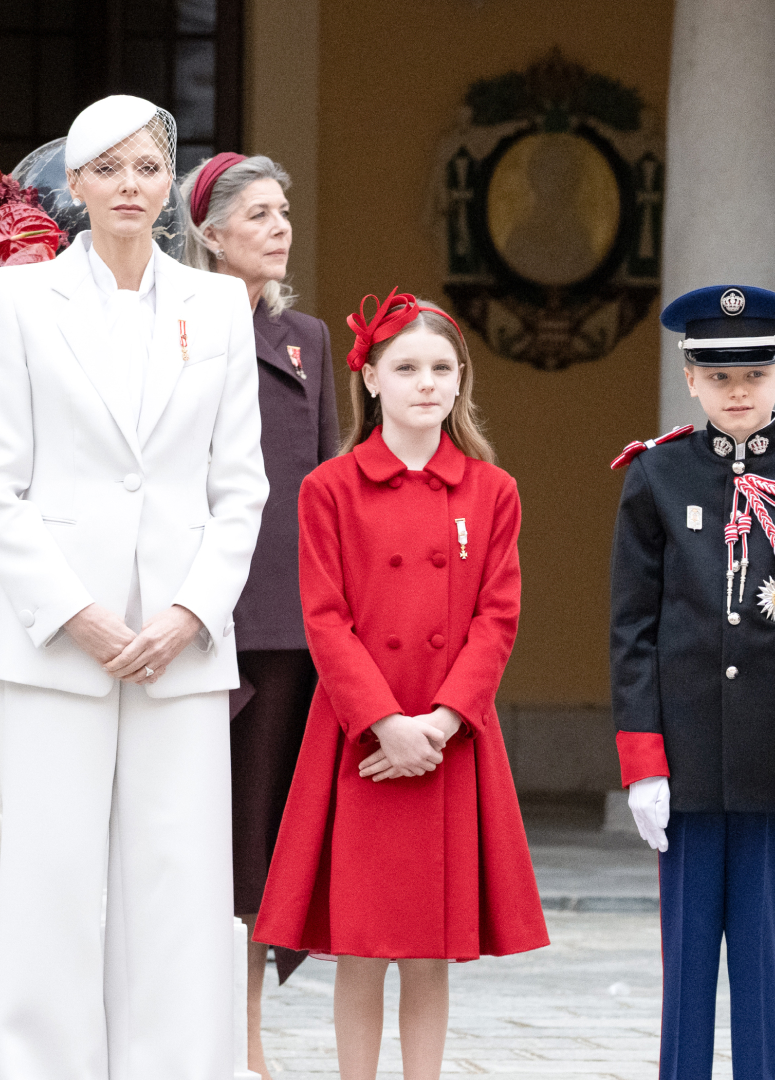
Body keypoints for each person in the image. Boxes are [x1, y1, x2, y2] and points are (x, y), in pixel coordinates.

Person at [0, 95, 269, 1078]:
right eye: (110, 169)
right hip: (61, 641)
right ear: (78, 185)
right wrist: (75, 613)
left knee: (179, 884)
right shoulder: (17, 300)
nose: (131, 186)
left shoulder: (217, 304)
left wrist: (190, 611)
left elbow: (241, 485)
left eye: (148, 168)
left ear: (168, 185)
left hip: (180, 642)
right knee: (50, 879)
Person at [255, 291, 546, 1080]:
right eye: (407, 366)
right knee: (361, 944)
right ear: (371, 379)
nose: (427, 382)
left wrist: (443, 723)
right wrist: (385, 724)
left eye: (442, 368)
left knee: (428, 950)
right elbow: (324, 618)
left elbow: (497, 618)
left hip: (451, 738)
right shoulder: (330, 488)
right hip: (360, 738)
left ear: (461, 384)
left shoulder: (493, 491)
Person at [612, 284, 775, 1080]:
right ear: (691, 379)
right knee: (685, 964)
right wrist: (643, 764)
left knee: (760, 965)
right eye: (718, 376)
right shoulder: (655, 477)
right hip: (684, 760)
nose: (737, 391)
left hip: (771, 762)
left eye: (753, 375)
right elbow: (633, 630)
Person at [180, 150, 339, 1078]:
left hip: (282, 623)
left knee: (256, 846)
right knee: (182, 834)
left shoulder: (305, 339)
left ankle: (244, 1043)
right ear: (211, 234)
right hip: (190, 617)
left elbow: (325, 485)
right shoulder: (173, 331)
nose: (281, 229)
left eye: (285, 213)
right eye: (261, 216)